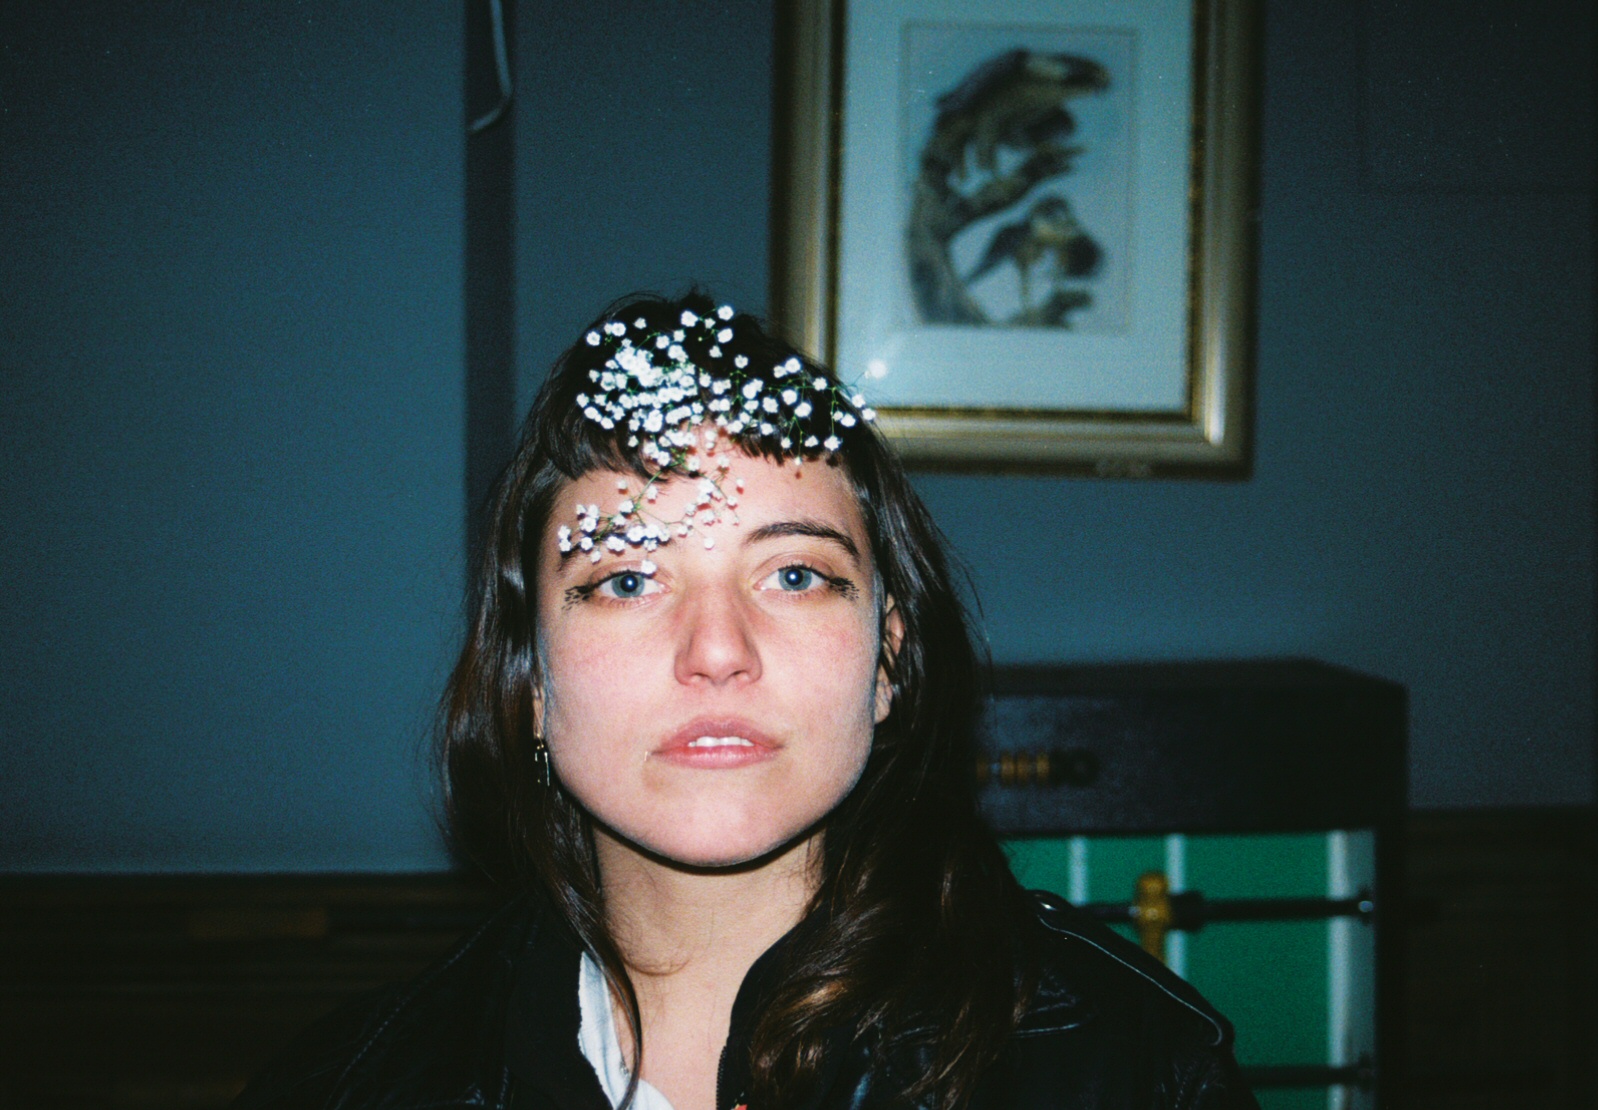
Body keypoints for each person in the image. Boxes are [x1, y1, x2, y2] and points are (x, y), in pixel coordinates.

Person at [232, 293, 1258, 1110]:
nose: (717, 652)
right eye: (626, 580)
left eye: (795, 576)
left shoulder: (1134, 1070)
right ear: (529, 682)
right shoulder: (349, 1086)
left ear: (887, 659)